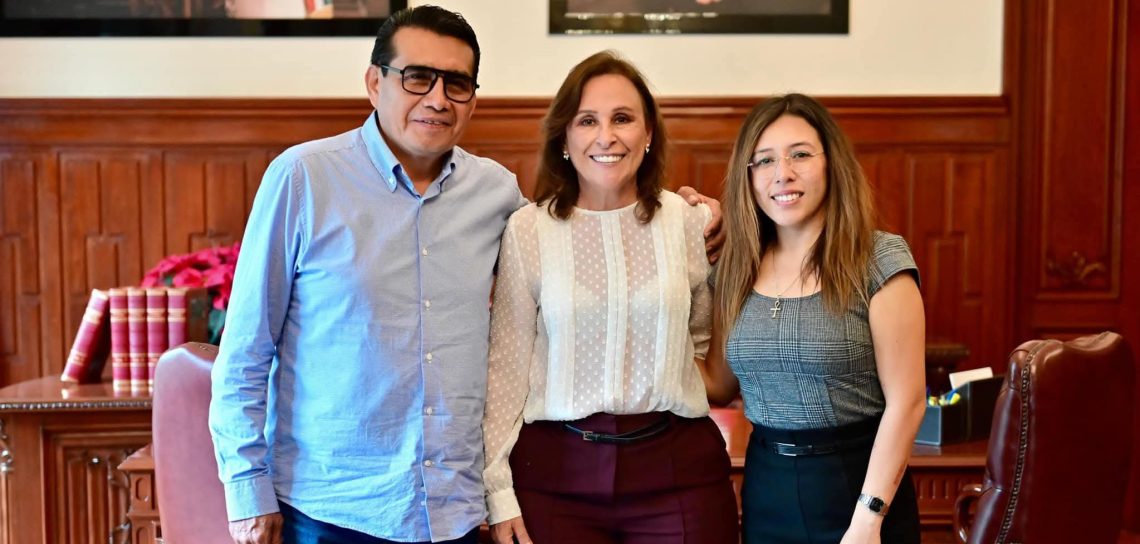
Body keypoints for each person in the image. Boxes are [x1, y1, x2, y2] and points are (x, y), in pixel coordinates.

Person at [208, 6, 724, 544]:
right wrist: (246, 489)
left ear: (472, 99)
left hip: (451, 510)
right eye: (417, 77)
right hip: (333, 507)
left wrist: (690, 218)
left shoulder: (497, 195)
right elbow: (245, 351)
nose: (437, 98)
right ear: (374, 83)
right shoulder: (304, 179)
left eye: (456, 83)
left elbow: (580, 251)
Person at [481, 51, 739, 544]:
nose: (606, 136)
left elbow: (701, 346)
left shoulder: (690, 222)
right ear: (564, 138)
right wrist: (498, 491)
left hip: (677, 469)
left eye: (622, 118)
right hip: (555, 474)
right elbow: (506, 372)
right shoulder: (528, 230)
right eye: (587, 121)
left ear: (648, 133)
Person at [700, 93, 926, 544]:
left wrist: (869, 518)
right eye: (764, 160)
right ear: (748, 176)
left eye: (800, 154)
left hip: (858, 489)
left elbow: (908, 401)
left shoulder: (878, 259)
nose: (782, 173)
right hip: (767, 489)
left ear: (831, 164)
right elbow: (718, 384)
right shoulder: (735, 268)